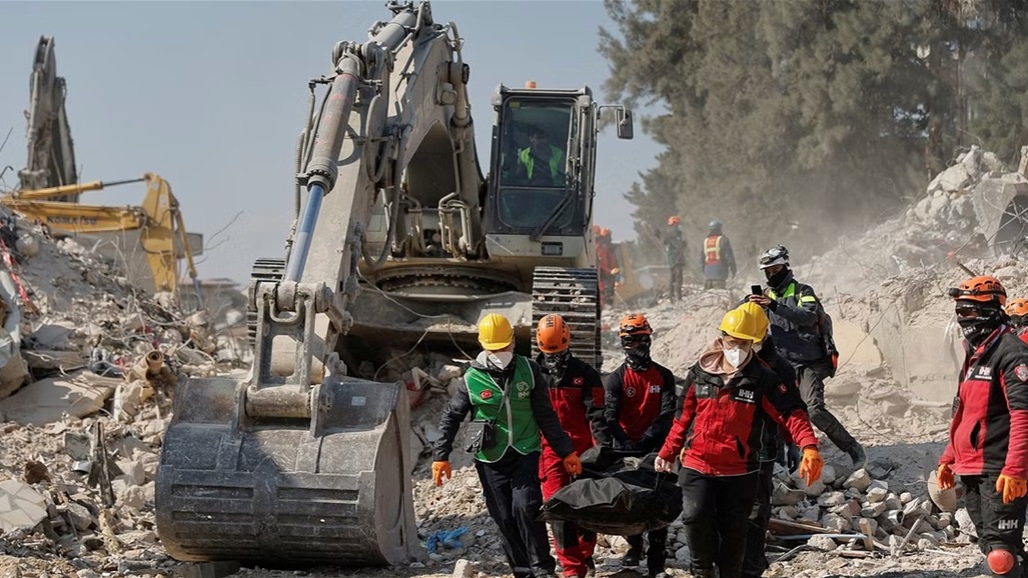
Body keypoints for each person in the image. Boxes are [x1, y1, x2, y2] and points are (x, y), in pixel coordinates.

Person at [654, 303, 822, 578]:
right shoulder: (701, 371)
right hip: (697, 463)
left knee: (734, 533)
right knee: (694, 516)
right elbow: (683, 416)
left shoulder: (763, 378)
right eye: (733, 342)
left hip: (739, 470)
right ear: (722, 337)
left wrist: (809, 446)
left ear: (754, 344)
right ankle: (702, 571)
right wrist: (668, 451)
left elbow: (792, 413)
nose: (738, 348)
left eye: (745, 343)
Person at [432, 313, 583, 578]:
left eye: (503, 346)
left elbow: (545, 414)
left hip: (525, 451)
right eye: (495, 348)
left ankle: (543, 570)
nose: (501, 352)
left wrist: (565, 451)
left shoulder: (529, 370)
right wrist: (440, 455)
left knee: (526, 507)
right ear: (484, 346)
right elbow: (452, 416)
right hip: (490, 458)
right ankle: (523, 572)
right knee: (504, 517)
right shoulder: (472, 378)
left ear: (513, 342)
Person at [937, 276, 1028, 578]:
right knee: (991, 544)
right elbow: (963, 413)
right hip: (972, 466)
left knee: (1001, 555)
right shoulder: (975, 353)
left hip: (1000, 468)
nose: (963, 319)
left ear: (990, 310)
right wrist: (949, 458)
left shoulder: (1012, 352)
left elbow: (1023, 415)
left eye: (969, 312)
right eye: (960, 312)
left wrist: (1016, 468)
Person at [747, 244, 866, 468]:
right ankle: (785, 456)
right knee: (777, 409)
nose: (772, 275)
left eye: (776, 270)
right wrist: (749, 306)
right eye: (768, 272)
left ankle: (852, 448)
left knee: (814, 409)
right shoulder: (765, 296)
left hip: (809, 362)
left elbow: (808, 317)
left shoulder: (803, 291)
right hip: (781, 364)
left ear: (786, 267)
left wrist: (774, 305)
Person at [596, 313, 677, 578]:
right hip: (625, 448)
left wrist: (650, 437)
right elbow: (609, 415)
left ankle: (657, 560)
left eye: (640, 339)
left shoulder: (663, 376)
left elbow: (668, 412)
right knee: (629, 502)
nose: (636, 346)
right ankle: (634, 546)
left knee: (658, 502)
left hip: (656, 448)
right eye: (629, 341)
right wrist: (624, 442)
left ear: (648, 340)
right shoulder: (616, 379)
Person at [535, 314, 605, 578]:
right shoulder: (533, 373)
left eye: (559, 352)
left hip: (583, 450)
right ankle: (572, 569)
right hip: (549, 451)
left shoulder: (585, 374)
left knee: (587, 505)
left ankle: (585, 553)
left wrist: (601, 450)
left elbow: (598, 414)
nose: (554, 359)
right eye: (550, 353)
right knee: (558, 508)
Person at [742, 327, 804, 578]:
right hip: (729, 450)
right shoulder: (720, 364)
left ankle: (753, 562)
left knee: (758, 505)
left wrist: (792, 443)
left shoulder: (780, 368)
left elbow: (789, 409)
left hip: (764, 446)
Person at [699, 219, 736, 290]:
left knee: (707, 295)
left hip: (708, 276)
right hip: (720, 275)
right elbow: (729, 257)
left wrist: (704, 271)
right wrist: (733, 269)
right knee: (718, 294)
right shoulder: (723, 240)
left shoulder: (705, 241)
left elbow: (701, 259)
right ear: (719, 229)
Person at [595, 227, 619, 311]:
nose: (610, 238)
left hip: (609, 272)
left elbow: (612, 260)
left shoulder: (608, 247)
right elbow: (601, 262)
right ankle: (606, 306)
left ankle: (608, 305)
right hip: (604, 273)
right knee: (605, 290)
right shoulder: (601, 247)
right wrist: (609, 271)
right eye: (608, 236)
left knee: (610, 289)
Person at [664, 216, 687, 302]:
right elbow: (678, 245)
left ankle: (672, 296)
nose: (679, 225)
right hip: (676, 258)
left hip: (672, 259)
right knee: (678, 278)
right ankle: (679, 297)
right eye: (678, 223)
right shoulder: (674, 233)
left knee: (672, 278)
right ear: (674, 224)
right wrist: (683, 244)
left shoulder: (668, 233)